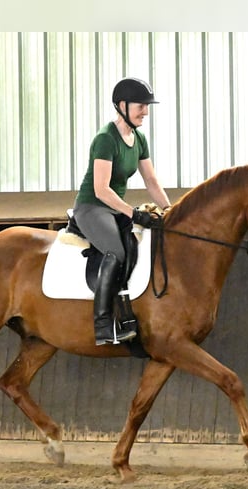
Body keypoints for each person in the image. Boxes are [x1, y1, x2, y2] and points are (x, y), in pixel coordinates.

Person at [73, 77, 172, 346]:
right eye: (141, 106)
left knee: (137, 244)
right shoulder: (106, 139)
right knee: (115, 252)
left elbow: (151, 181)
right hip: (93, 207)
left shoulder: (139, 138)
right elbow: (102, 189)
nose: (146, 112)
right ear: (122, 105)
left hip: (114, 208)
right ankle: (103, 324)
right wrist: (132, 212)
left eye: (146, 106)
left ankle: (128, 313)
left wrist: (170, 211)